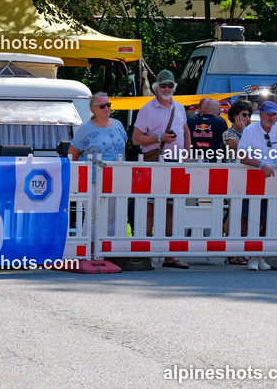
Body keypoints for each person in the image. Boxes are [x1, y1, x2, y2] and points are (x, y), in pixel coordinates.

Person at [131, 70, 192, 269]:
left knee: (172, 208)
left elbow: (186, 131)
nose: (167, 89)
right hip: (155, 161)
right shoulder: (147, 109)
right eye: (163, 85)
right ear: (157, 86)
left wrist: (186, 154)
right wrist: (159, 138)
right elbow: (136, 139)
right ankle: (143, 254)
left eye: (170, 86)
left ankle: (170, 256)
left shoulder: (180, 107)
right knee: (149, 207)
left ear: (174, 87)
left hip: (176, 163)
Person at [237, 100, 277, 271]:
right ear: (261, 114)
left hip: (272, 181)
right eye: (269, 114)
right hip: (252, 179)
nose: (272, 118)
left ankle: (259, 255)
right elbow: (242, 156)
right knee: (252, 218)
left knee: (268, 219)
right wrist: (261, 164)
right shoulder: (250, 130)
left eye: (274, 114)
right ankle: (251, 255)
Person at [69, 92, 128, 238]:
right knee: (94, 216)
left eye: (108, 105)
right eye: (102, 106)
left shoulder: (118, 125)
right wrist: (78, 177)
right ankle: (89, 249)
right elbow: (72, 153)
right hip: (93, 179)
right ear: (93, 109)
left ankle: (109, 250)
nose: (106, 108)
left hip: (117, 178)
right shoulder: (85, 129)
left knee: (113, 217)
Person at [221, 99, 253, 265]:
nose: (247, 118)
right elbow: (244, 151)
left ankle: (240, 250)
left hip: (250, 177)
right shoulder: (229, 133)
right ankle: (231, 252)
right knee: (234, 213)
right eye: (244, 115)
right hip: (234, 176)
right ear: (235, 116)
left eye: (249, 115)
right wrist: (245, 130)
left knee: (246, 214)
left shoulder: (250, 132)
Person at [187, 97, 227, 161]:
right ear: (219, 111)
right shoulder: (221, 123)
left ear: (205, 109)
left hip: (195, 160)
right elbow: (226, 143)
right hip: (214, 161)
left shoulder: (193, 122)